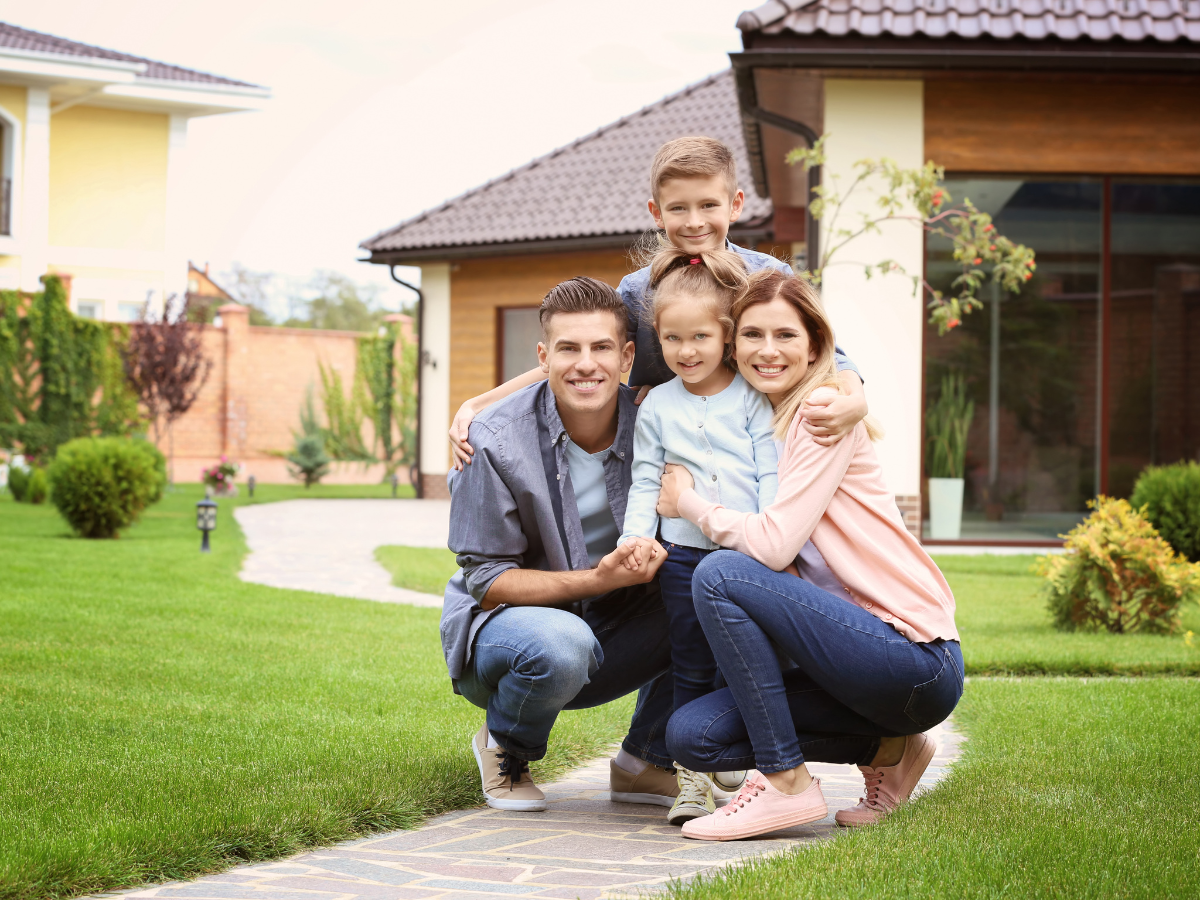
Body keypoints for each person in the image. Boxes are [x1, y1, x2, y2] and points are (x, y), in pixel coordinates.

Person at [656, 269, 963, 842]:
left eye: (785, 336)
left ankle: (785, 784)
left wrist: (689, 503)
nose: (767, 351)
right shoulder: (761, 423)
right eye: (752, 335)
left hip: (913, 657)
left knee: (720, 572)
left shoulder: (821, 410)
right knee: (692, 735)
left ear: (817, 346)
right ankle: (893, 748)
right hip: (852, 665)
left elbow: (771, 547)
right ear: (732, 343)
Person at [446, 136, 868, 470]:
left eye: (709, 205)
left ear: (735, 205)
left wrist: (855, 400)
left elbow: (831, 357)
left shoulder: (769, 277)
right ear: (656, 212)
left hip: (760, 443)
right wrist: (479, 404)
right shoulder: (637, 290)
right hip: (672, 448)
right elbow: (581, 352)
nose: (694, 221)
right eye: (678, 208)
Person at [441, 275, 680, 812]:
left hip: (614, 626)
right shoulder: (494, 440)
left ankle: (647, 759)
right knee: (561, 643)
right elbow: (487, 581)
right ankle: (506, 746)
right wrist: (599, 579)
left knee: (716, 587)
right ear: (544, 356)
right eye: (569, 348)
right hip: (509, 637)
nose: (585, 364)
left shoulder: (657, 423)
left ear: (626, 357)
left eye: (600, 348)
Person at [617, 243, 776, 825]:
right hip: (683, 556)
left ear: (727, 338)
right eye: (672, 340)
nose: (686, 352)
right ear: (657, 341)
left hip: (745, 556)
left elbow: (771, 474)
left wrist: (773, 536)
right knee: (688, 663)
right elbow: (643, 480)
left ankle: (747, 770)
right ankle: (690, 781)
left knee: (743, 662)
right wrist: (635, 538)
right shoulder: (656, 404)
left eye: (701, 339)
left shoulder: (754, 397)